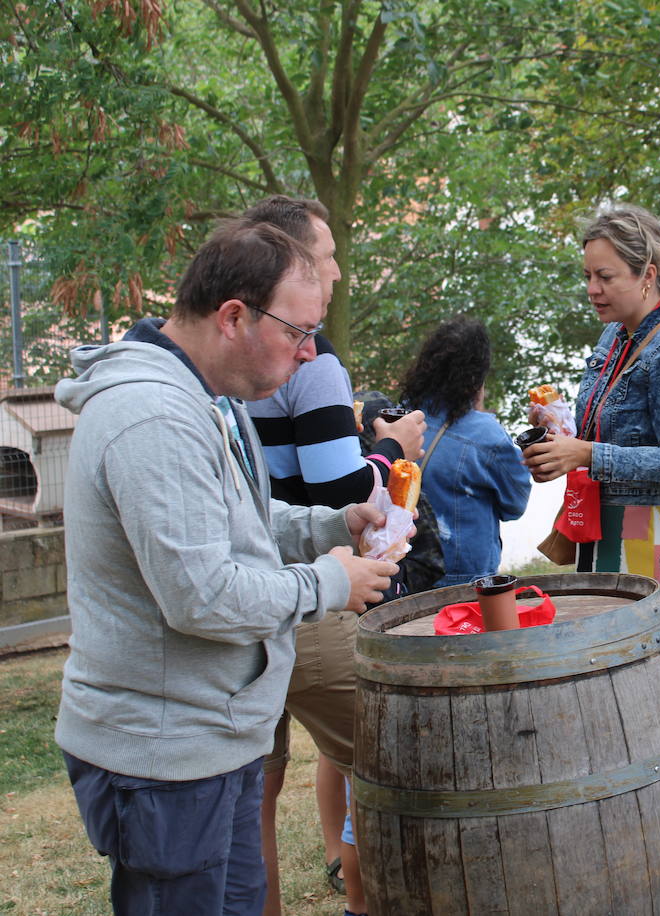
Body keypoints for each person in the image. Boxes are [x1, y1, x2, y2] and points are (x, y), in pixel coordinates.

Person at [54, 219, 400, 916]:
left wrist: (332, 523)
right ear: (234, 316)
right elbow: (202, 595)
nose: (310, 355)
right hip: (164, 761)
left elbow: (238, 522)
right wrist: (332, 581)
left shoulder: (210, 402)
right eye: (299, 333)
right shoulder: (152, 414)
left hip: (214, 742)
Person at [242, 196, 423, 916]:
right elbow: (337, 488)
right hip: (313, 604)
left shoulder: (227, 378)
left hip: (254, 604)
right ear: (290, 264)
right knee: (388, 765)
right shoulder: (313, 363)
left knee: (253, 792)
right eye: (326, 255)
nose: (339, 271)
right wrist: (392, 449)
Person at [522, 203, 660, 670]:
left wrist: (585, 452)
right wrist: (560, 433)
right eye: (588, 275)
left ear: (647, 274)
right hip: (604, 527)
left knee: (658, 674)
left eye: (605, 276)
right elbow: (613, 427)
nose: (592, 289)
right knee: (606, 669)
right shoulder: (615, 335)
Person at [396, 316, 531, 586]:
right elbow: (515, 504)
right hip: (464, 581)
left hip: (406, 571)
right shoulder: (486, 436)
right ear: (476, 376)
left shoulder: (402, 417)